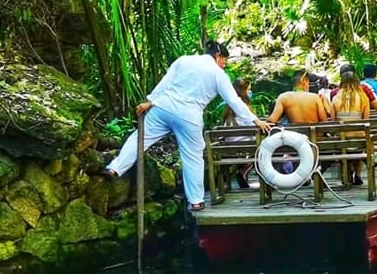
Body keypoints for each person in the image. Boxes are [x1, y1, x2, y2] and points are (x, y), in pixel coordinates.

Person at [103, 41, 272, 211]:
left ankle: (115, 168)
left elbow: (165, 82)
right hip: (189, 115)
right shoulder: (217, 73)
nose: (224, 64)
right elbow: (233, 100)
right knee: (192, 156)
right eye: (224, 61)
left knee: (140, 137)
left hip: (163, 107)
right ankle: (196, 200)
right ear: (217, 56)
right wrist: (255, 120)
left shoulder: (183, 60)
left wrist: (150, 101)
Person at [332, 71, 370, 185]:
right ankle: (357, 175)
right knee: (361, 140)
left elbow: (333, 122)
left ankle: (346, 172)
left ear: (342, 82)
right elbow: (366, 120)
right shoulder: (363, 97)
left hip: (342, 140)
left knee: (342, 141)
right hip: (359, 140)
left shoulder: (336, 98)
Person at [221, 78, 255, 188]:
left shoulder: (227, 110)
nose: (250, 92)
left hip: (228, 150)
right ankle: (244, 169)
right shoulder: (245, 109)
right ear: (243, 91)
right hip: (246, 149)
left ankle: (242, 170)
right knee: (264, 149)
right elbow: (254, 128)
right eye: (249, 90)